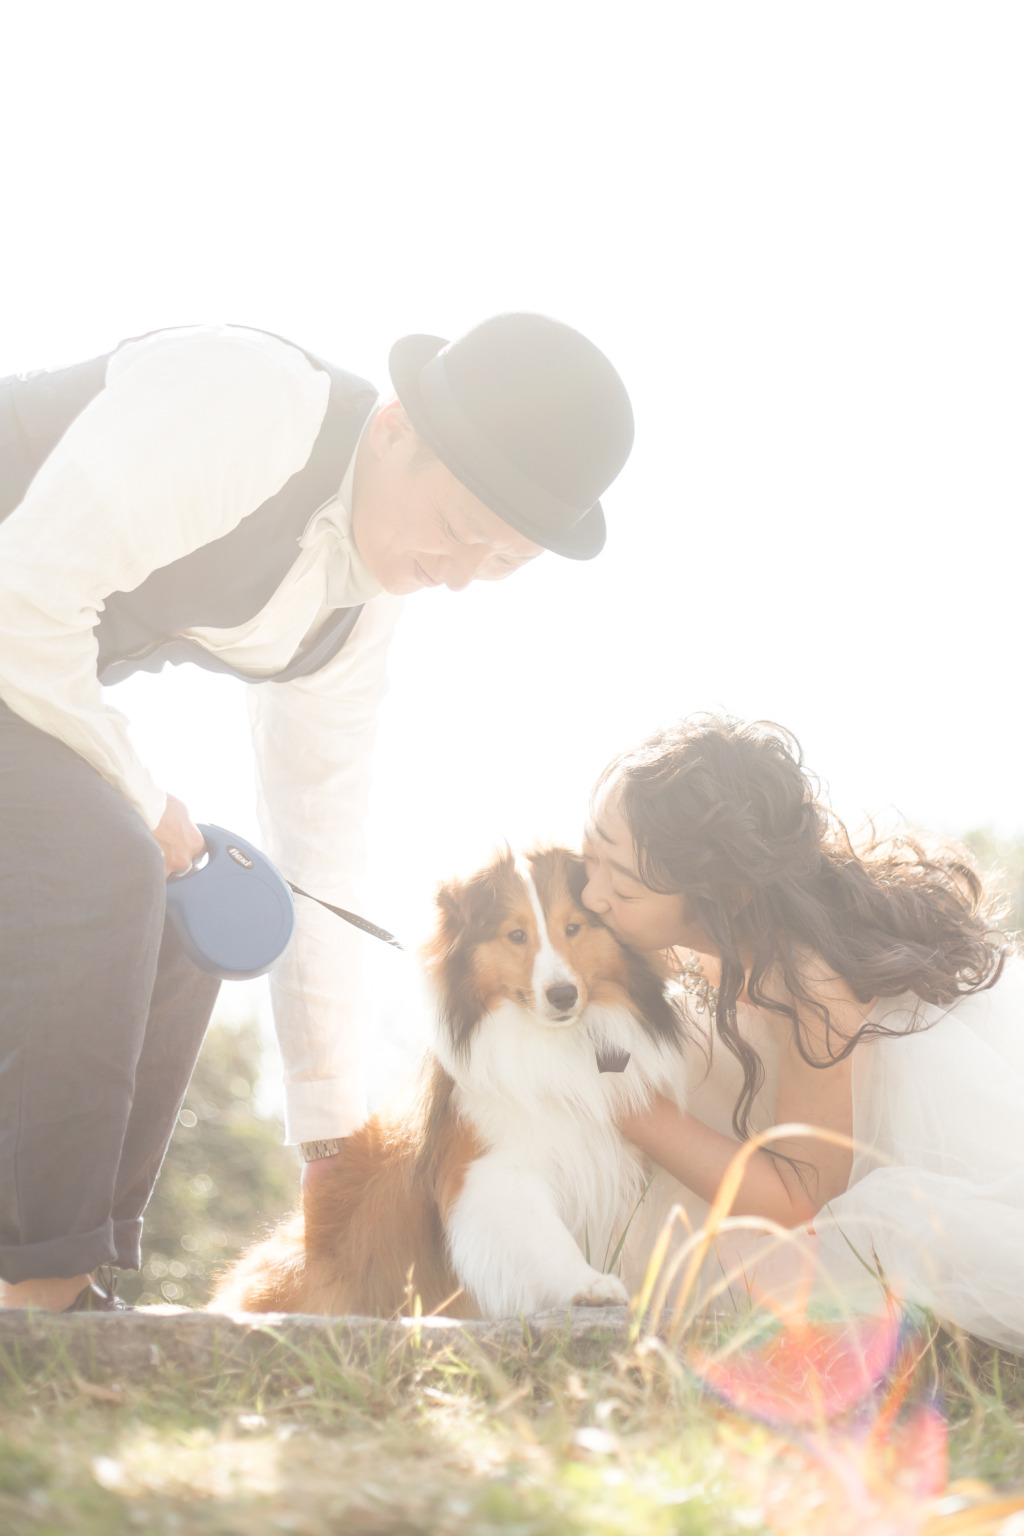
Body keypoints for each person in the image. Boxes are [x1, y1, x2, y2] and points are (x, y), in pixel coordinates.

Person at [0, 313, 634, 1312]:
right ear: (392, 431)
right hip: (11, 614)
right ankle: (39, 1293)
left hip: (26, 681)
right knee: (111, 857)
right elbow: (22, 598)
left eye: (500, 561)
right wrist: (145, 800)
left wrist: (327, 1133)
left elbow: (318, 864)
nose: (461, 573)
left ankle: (55, 1277)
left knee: (196, 905)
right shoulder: (246, 406)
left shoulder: (356, 622)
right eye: (461, 529)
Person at [580, 715, 1024, 1351]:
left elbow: (799, 1198)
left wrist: (637, 1111)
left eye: (620, 884)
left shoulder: (811, 984)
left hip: (861, 1184)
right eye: (589, 855)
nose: (593, 893)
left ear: (720, 896)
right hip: (767, 1152)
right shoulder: (675, 935)